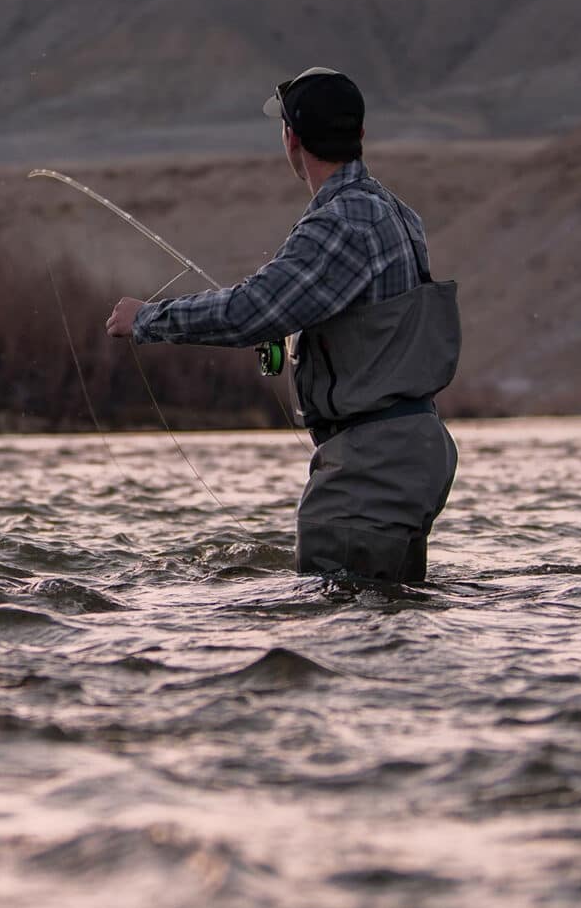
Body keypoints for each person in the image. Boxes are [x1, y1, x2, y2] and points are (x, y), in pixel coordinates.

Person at [105, 67, 460, 584]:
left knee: (336, 633)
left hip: (371, 467)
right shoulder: (397, 214)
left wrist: (146, 319)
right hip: (410, 453)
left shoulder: (341, 221)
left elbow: (248, 311)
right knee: (389, 627)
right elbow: (359, 319)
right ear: (359, 135)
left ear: (291, 139)